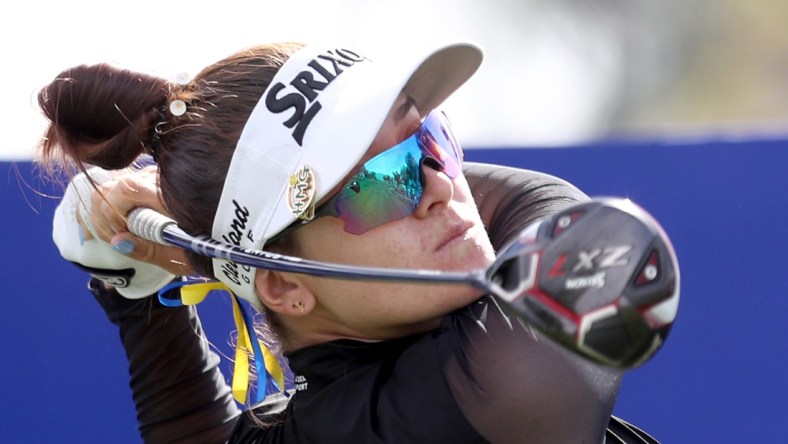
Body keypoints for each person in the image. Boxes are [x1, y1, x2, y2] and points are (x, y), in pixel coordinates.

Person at [39, 40, 663, 443]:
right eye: (380, 182)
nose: (441, 187)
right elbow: (596, 241)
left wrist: (141, 296)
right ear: (283, 283)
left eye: (432, 142)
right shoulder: (495, 389)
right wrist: (196, 245)